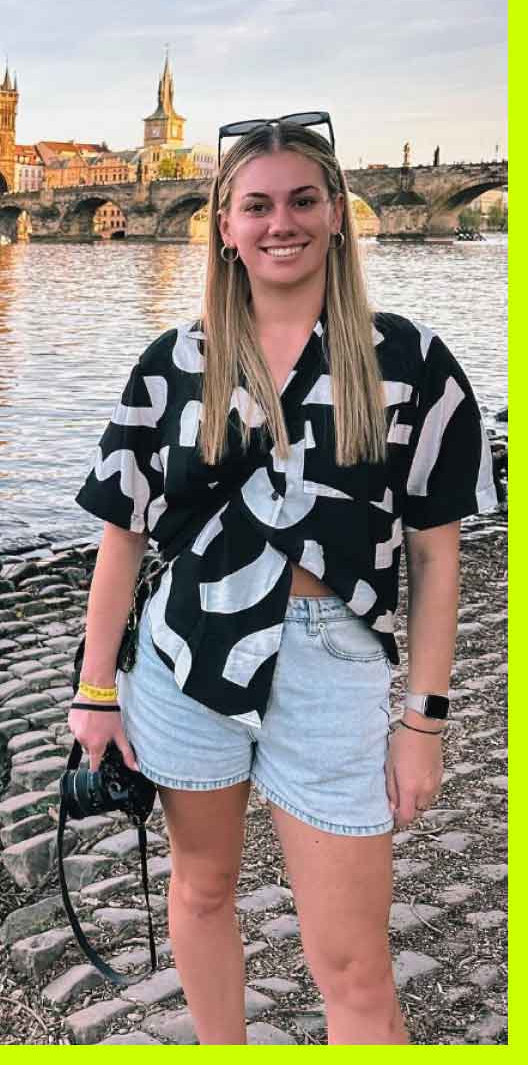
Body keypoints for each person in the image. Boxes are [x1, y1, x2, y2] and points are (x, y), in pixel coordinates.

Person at [70, 115, 497, 1045]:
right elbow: (122, 536)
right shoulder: (173, 364)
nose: (280, 224)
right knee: (202, 888)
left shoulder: (410, 363)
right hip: (186, 656)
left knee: (355, 966)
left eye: (303, 200)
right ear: (224, 225)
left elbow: (435, 556)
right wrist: (95, 691)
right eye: (256, 206)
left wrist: (423, 721)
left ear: (338, 213)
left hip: (332, 662)